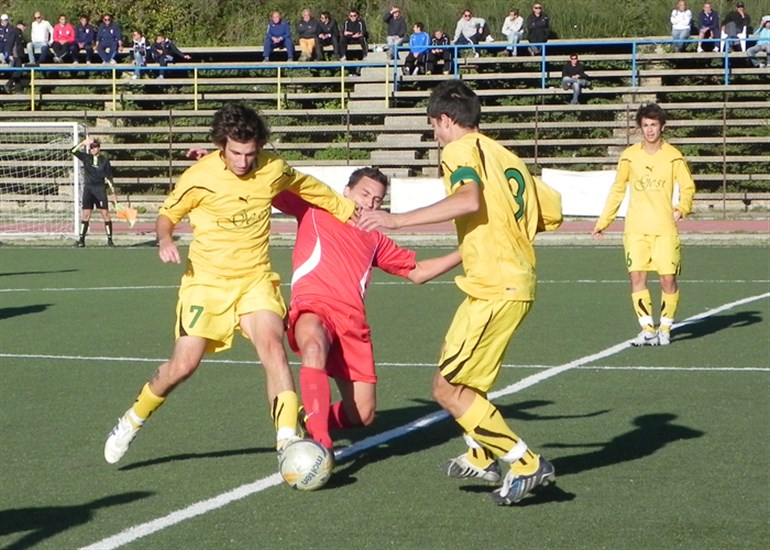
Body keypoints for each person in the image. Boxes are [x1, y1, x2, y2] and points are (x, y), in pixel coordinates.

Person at [102, 103, 358, 466]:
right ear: (221, 145)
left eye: (250, 153)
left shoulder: (273, 169)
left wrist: (349, 211)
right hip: (206, 284)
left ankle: (287, 439)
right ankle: (132, 419)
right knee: (183, 366)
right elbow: (167, 214)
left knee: (273, 349)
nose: (242, 161)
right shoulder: (199, 176)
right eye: (236, 153)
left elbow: (310, 188)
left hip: (255, 279)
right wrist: (165, 239)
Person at [357, 80, 562, 506]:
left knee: (447, 389)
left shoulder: (459, 151)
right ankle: (480, 454)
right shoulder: (505, 155)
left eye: (434, 127)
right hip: (505, 280)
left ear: (446, 121)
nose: (435, 136)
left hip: (496, 284)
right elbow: (551, 213)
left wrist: (397, 221)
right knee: (463, 379)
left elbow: (468, 200)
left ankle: (524, 462)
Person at [273, 167, 461, 451]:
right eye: (365, 194)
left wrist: (467, 251)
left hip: (352, 323)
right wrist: (222, 165)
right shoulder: (315, 207)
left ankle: (309, 416)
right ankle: (320, 444)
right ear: (347, 191)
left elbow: (419, 272)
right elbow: (266, 187)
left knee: (362, 414)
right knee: (313, 346)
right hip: (314, 306)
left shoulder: (375, 239)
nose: (370, 204)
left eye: (377, 200)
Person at [592, 103, 696, 347]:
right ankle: (648, 328)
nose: (650, 130)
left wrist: (682, 207)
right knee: (636, 276)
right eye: (646, 125)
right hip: (636, 229)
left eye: (654, 125)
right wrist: (603, 221)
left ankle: (666, 328)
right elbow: (618, 189)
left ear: (662, 127)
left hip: (664, 230)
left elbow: (688, 186)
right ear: (640, 128)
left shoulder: (673, 156)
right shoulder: (629, 156)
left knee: (667, 280)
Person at [71, 138, 117, 248]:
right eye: (91, 147)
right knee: (86, 214)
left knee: (105, 214)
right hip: (88, 189)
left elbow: (109, 177)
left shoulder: (104, 160)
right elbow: (73, 151)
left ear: (99, 148)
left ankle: (110, 240)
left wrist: (113, 192)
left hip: (99, 189)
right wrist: (83, 142)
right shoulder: (86, 157)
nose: (92, 149)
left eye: (94, 147)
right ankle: (81, 240)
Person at [3, 19, 26, 94]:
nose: (24, 28)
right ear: (19, 25)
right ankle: (8, 84)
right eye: (23, 26)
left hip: (18, 55)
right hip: (16, 55)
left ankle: (18, 90)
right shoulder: (15, 32)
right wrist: (10, 54)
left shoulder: (19, 33)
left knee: (18, 72)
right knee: (18, 71)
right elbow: (10, 43)